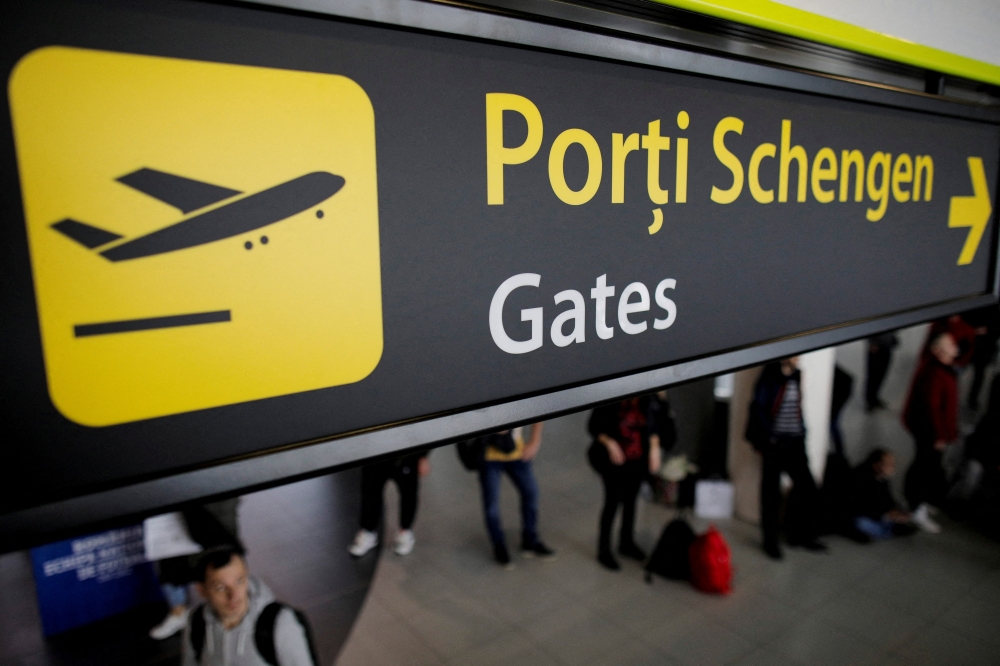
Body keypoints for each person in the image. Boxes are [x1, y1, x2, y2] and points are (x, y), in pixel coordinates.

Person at [745, 357, 826, 560]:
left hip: (795, 441)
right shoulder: (770, 376)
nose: (798, 358)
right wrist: (769, 437)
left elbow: (798, 405)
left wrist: (802, 431)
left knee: (807, 487)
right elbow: (759, 406)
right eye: (795, 355)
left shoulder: (796, 375)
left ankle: (800, 534)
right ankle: (770, 541)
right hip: (775, 443)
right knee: (771, 494)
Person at [182, 546, 317, 666]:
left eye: (239, 581)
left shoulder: (280, 624)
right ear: (202, 590)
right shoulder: (196, 622)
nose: (234, 596)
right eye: (220, 588)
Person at [149, 499, 243, 640]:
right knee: (169, 559)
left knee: (222, 564)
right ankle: (178, 613)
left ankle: (234, 620)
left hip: (213, 506)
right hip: (172, 504)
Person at [587, 396, 662, 570]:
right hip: (614, 461)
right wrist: (609, 442)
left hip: (637, 460)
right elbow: (593, 426)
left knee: (631, 502)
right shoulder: (610, 397)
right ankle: (604, 549)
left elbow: (656, 426)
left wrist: (654, 448)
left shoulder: (648, 400)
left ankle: (626, 542)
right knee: (612, 503)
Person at [902, 331, 960, 534]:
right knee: (924, 468)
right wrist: (939, 435)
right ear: (937, 350)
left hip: (934, 431)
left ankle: (921, 501)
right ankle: (916, 507)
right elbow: (931, 407)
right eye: (949, 344)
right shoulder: (935, 373)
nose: (953, 347)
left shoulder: (944, 370)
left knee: (929, 466)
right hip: (930, 432)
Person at [477, 424, 555, 568]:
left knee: (531, 494)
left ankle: (530, 541)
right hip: (487, 456)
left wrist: (535, 440)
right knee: (491, 505)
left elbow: (535, 413)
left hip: (517, 453)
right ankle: (499, 546)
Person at [348, 452, 430, 558]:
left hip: (406, 455)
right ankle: (368, 532)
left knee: (408, 494)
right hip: (375, 455)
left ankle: (405, 532)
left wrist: (423, 456)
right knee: (370, 492)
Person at [849, 450, 916, 540]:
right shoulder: (860, 478)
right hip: (859, 513)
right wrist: (887, 515)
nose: (892, 467)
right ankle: (889, 531)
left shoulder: (882, 477)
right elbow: (861, 506)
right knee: (862, 523)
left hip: (877, 513)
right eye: (889, 464)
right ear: (877, 465)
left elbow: (887, 498)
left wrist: (895, 511)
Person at [865, 332, 897, 411]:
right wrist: (872, 342)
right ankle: (870, 401)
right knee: (873, 375)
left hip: (886, 346)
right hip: (876, 347)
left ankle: (874, 398)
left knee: (881, 375)